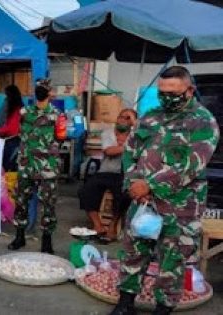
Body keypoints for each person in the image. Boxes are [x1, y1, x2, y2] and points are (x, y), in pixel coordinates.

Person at [110, 66, 220, 315]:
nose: (167, 97)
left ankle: (163, 308)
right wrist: (133, 184)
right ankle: (125, 304)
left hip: (180, 205)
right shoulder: (150, 116)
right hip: (143, 201)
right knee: (133, 251)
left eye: (174, 92)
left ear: (189, 91)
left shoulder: (203, 122)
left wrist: (150, 185)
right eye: (162, 92)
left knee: (172, 261)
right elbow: (130, 151)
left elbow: (192, 164)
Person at [7, 79, 63, 254]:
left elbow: (61, 137)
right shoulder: (24, 112)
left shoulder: (57, 115)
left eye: (44, 88)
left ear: (50, 93)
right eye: (39, 88)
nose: (41, 91)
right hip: (27, 164)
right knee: (21, 201)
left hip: (47, 167)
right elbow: (17, 132)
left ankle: (46, 240)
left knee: (48, 204)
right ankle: (20, 236)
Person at [78, 109, 137, 241]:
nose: (122, 120)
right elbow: (109, 151)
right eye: (120, 117)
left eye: (127, 118)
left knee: (124, 194)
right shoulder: (108, 133)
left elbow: (139, 149)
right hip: (106, 171)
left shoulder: (136, 135)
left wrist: (125, 145)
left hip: (125, 174)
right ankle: (98, 225)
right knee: (85, 190)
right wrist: (127, 148)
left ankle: (112, 226)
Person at [0, 84, 23, 171]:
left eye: (6, 95)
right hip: (11, 140)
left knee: (7, 168)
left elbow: (11, 128)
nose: (4, 98)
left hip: (12, 141)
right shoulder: (17, 107)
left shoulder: (15, 109)